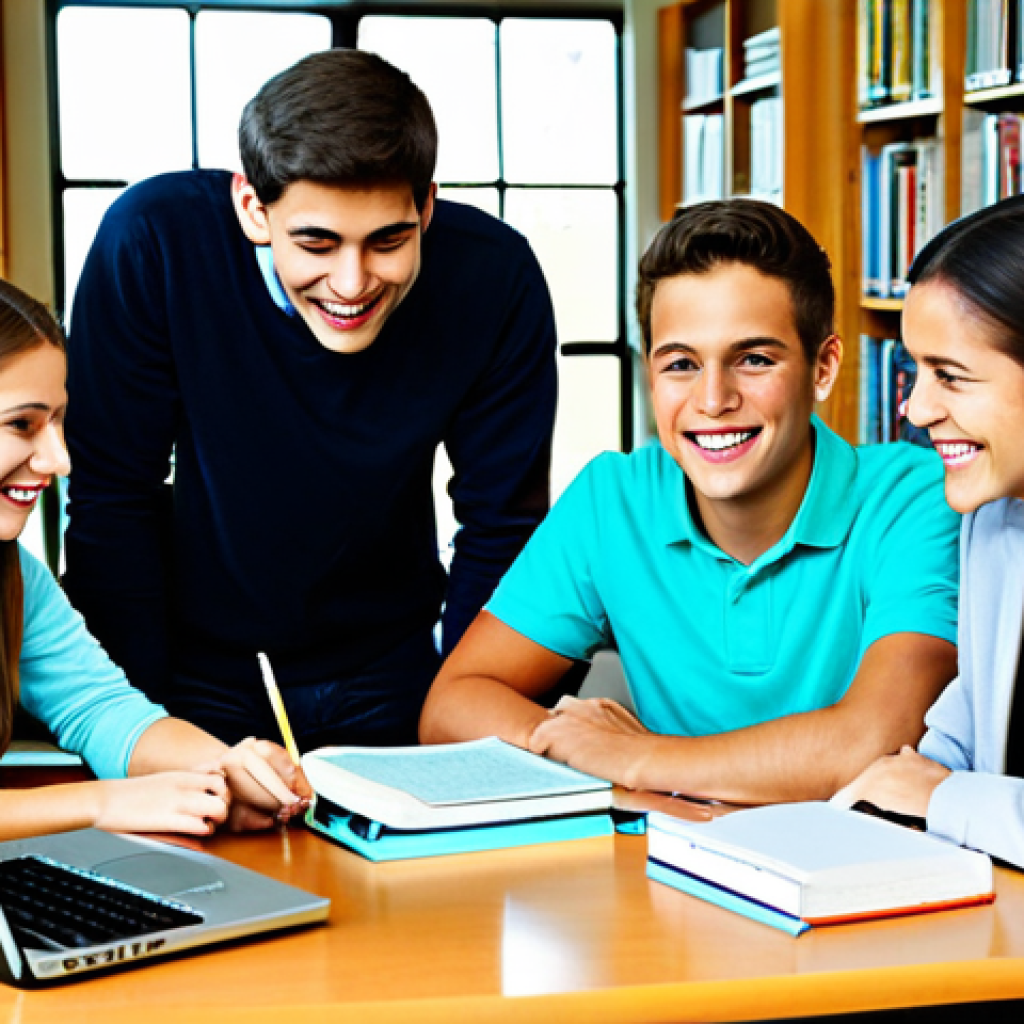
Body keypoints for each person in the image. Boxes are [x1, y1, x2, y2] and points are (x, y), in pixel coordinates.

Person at [63, 49, 557, 750]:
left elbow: (502, 521)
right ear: (251, 208)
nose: (352, 283)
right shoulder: (154, 241)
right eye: (316, 242)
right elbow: (113, 495)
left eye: (388, 239)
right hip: (190, 669)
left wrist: (464, 714)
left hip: (395, 667)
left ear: (427, 206)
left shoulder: (496, 276)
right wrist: (141, 727)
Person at [420, 199, 960, 804]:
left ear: (824, 366)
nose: (712, 398)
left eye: (753, 359)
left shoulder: (913, 498)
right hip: (667, 871)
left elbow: (875, 742)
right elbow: (451, 707)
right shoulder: (613, 498)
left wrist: (631, 756)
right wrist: (562, 738)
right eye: (680, 363)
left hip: (861, 880)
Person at [0, 278, 311, 839]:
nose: (58, 459)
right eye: (22, 424)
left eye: (59, 421)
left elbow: (100, 708)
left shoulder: (15, 576)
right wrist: (98, 804)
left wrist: (219, 771)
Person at [834, 196, 1024, 869]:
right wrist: (886, 801)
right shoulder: (994, 514)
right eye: (915, 370)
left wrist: (942, 800)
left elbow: (950, 793)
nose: (915, 409)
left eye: (951, 376)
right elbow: (968, 715)